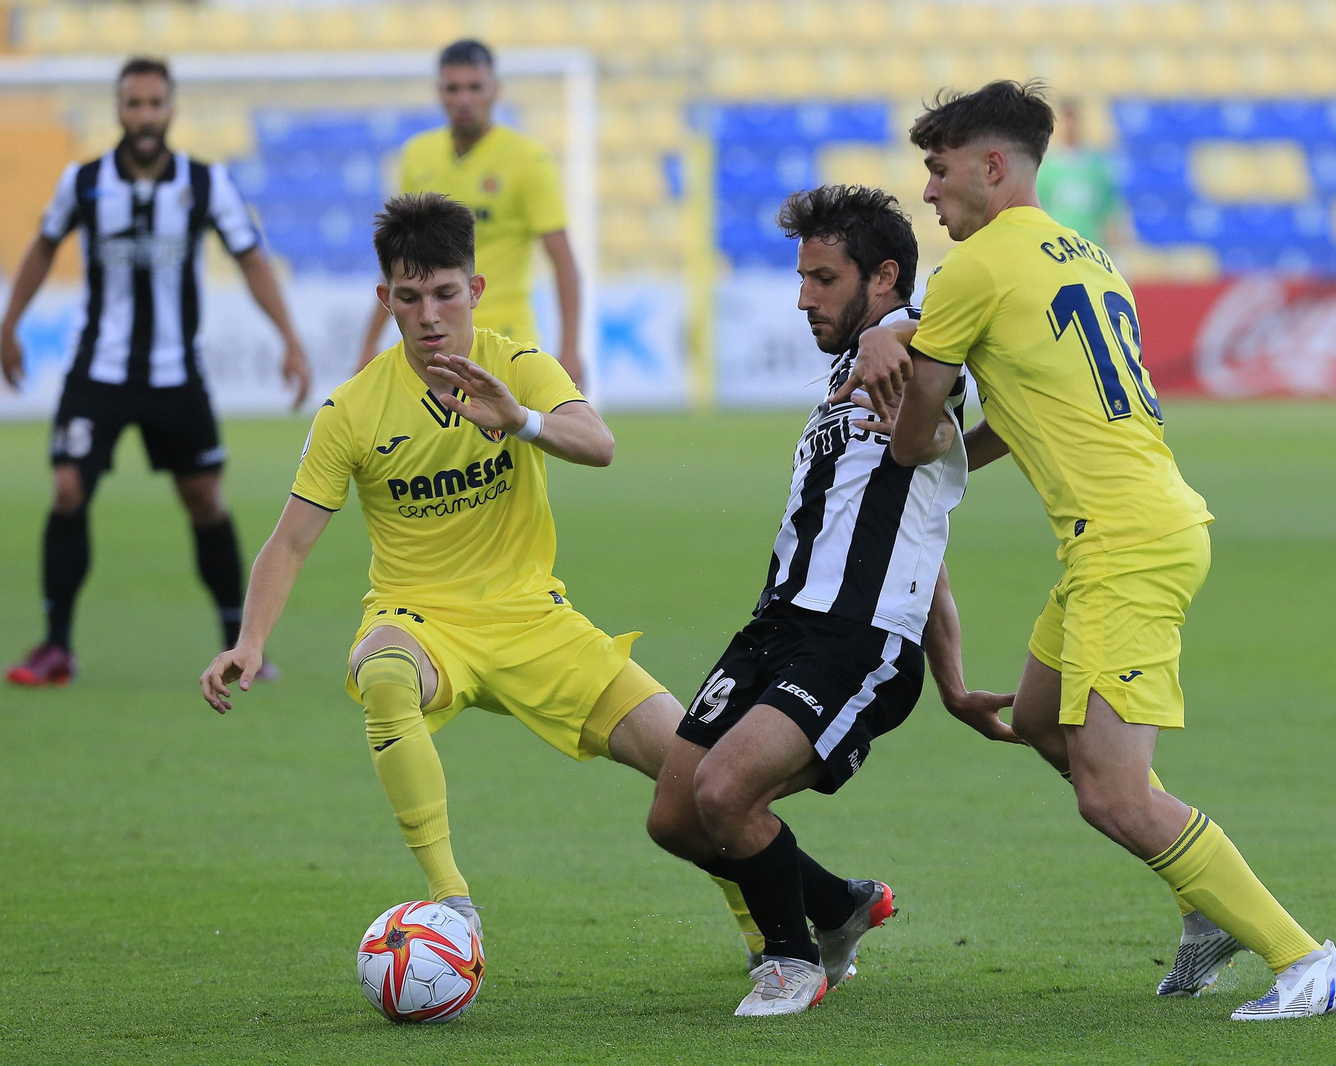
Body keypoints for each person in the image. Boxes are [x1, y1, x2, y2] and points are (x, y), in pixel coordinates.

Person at [835, 81, 1336, 1021]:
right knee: (1040, 720)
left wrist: (887, 350)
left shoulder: (977, 269)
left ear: (992, 167)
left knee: (1113, 798)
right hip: (1124, 533)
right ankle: (1209, 905)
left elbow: (916, 442)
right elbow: (1028, 412)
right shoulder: (1084, 255)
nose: (928, 192)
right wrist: (900, 341)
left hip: (1129, 544)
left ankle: (1308, 963)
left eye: (940, 169)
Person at [199, 192, 755, 956]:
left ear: (476, 289)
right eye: (409, 296)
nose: (429, 315)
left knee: (695, 766)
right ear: (384, 299)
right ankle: (450, 904)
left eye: (445, 293)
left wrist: (517, 420)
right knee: (384, 674)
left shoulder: (516, 366)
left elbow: (598, 444)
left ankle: (774, 932)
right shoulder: (351, 412)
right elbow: (289, 542)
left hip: (533, 619)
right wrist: (250, 641)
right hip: (421, 620)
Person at [646, 184, 1017, 1017]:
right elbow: (926, 549)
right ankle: (839, 904)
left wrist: (898, 325)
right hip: (775, 625)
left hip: (857, 640)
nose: (803, 296)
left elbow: (975, 319)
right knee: (675, 816)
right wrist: (956, 681)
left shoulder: (921, 357)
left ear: (882, 277)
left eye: (823, 278)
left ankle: (794, 959)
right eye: (803, 277)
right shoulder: (847, 381)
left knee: (724, 794)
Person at [3, 56, 311, 687]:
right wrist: (9, 325)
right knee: (67, 489)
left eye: (154, 104)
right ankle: (57, 645)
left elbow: (251, 260)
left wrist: (290, 339)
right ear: (118, 109)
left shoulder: (205, 184)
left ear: (171, 109)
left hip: (175, 374)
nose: (144, 116)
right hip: (98, 369)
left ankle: (240, 643)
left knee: (204, 499)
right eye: (133, 104)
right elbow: (41, 246)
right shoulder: (84, 182)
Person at [354, 39, 583, 388]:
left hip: (506, 339)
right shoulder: (418, 156)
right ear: (439, 92)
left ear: (495, 91)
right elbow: (398, 261)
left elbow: (563, 260)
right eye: (453, 88)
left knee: (510, 440)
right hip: (434, 338)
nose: (464, 99)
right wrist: (370, 342)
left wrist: (570, 350)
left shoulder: (527, 160)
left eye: (475, 87)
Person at [1035, 97, 1124, 254]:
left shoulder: (1097, 165)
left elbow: (1109, 211)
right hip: (1058, 249)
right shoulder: (1046, 167)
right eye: (1066, 119)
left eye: (1073, 118)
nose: (1070, 126)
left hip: (1091, 247)